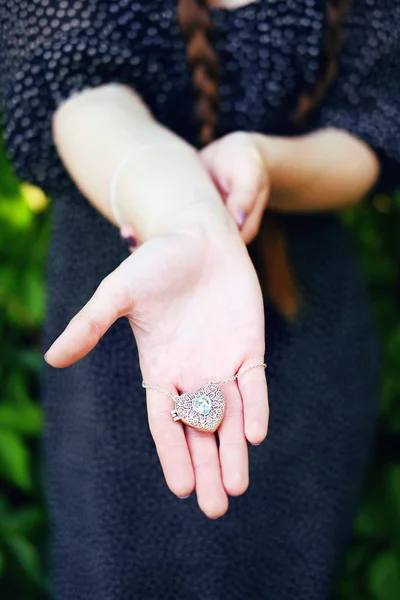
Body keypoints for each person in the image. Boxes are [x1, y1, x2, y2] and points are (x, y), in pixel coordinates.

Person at [0, 0, 398, 598]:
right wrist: (185, 215)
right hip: (132, 336)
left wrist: (265, 162)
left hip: (301, 334)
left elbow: (374, 134)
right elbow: (81, 97)